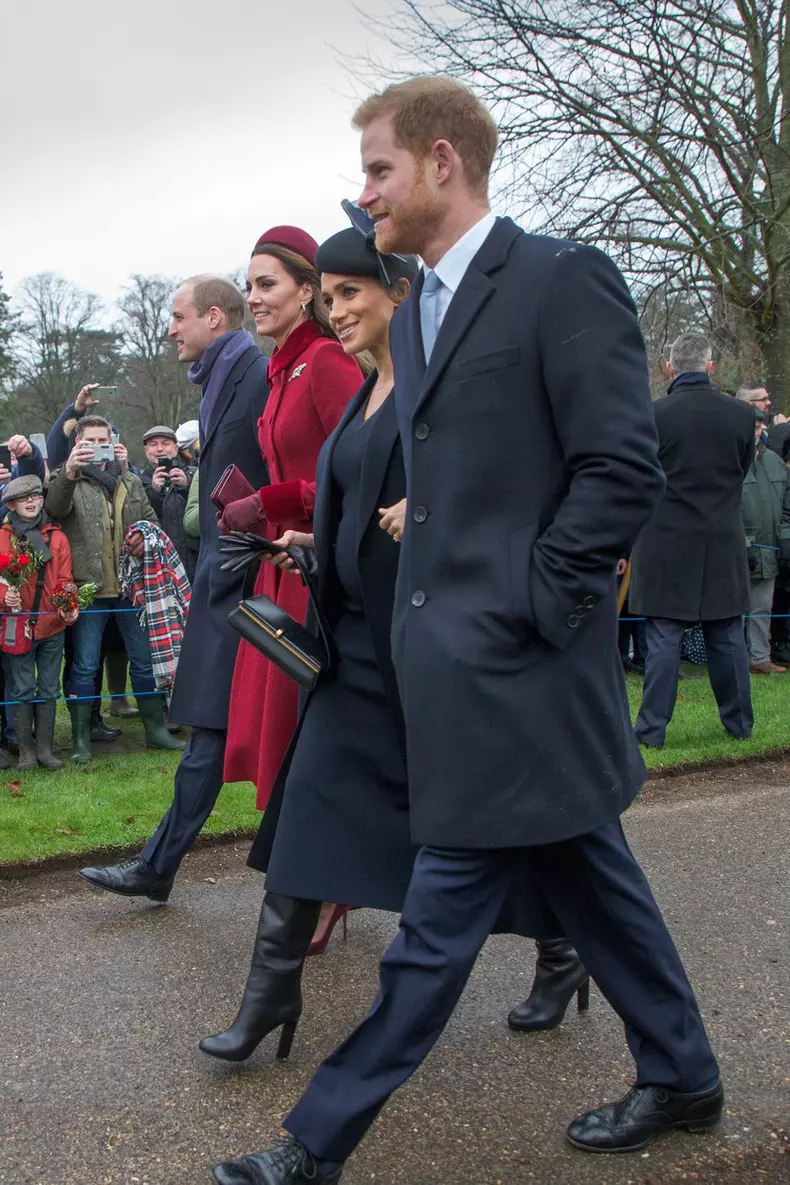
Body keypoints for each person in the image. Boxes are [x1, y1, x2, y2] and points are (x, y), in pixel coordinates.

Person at [212, 78, 723, 1185]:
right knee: (598, 887)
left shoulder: (556, 278)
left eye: (379, 170)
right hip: (445, 670)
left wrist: (534, 600)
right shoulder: (428, 307)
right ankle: (683, 1074)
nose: (366, 193)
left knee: (433, 930)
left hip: (516, 670)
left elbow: (620, 466)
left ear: (443, 162)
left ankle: (315, 1141)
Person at [79, 275, 268, 902]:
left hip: (257, 580)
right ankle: (158, 869)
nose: (169, 328)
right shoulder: (222, 376)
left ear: (214, 318)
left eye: (178, 316)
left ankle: (317, 884)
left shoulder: (255, 372)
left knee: (289, 740)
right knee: (209, 731)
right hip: (227, 580)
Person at [219, 227, 363, 813]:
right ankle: (307, 884)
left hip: (317, 570)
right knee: (283, 751)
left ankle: (322, 889)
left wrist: (271, 501)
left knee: (313, 744)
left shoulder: (327, 360)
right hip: (281, 566)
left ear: (307, 291)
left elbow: (356, 471)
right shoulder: (282, 368)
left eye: (266, 284)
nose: (252, 297)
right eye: (248, 285)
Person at [631, 331, 755, 747]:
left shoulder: (653, 415)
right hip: (721, 536)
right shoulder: (741, 416)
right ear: (709, 367)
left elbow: (643, 478)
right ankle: (739, 725)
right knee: (727, 636)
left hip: (666, 538)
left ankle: (651, 730)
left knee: (664, 638)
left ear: (669, 367)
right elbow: (741, 469)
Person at [45, 415, 181, 763]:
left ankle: (156, 731)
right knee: (86, 665)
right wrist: (71, 470)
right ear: (78, 445)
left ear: (113, 440)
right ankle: (80, 740)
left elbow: (150, 519)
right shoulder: (68, 479)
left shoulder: (129, 479)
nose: (96, 446)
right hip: (89, 588)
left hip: (129, 587)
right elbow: (54, 509)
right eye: (88, 441)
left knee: (143, 660)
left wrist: (142, 534)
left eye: (102, 439)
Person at [0, 475, 78, 770]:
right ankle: (25, 751)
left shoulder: (57, 538)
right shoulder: (3, 536)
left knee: (48, 688)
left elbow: (65, 581)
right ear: (11, 504)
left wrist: (69, 607)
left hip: (51, 625)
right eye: (24, 498)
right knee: (21, 687)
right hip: (15, 625)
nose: (31, 501)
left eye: (36, 496)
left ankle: (45, 750)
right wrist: (4, 596)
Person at [741, 408, 790, 673]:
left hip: (769, 547)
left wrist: (785, 539)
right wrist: (743, 543)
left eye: (760, 427)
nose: (756, 433)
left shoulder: (774, 460)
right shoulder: (732, 459)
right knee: (736, 609)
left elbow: (786, 505)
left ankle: (759, 657)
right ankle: (735, 656)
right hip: (739, 549)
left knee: (762, 606)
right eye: (752, 428)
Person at [140, 425, 198, 583]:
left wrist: (187, 486)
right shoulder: (138, 483)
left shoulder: (195, 474)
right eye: (153, 444)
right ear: (146, 451)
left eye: (165, 443)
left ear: (175, 448)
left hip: (195, 561)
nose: (160, 449)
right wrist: (154, 491)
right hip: (159, 565)